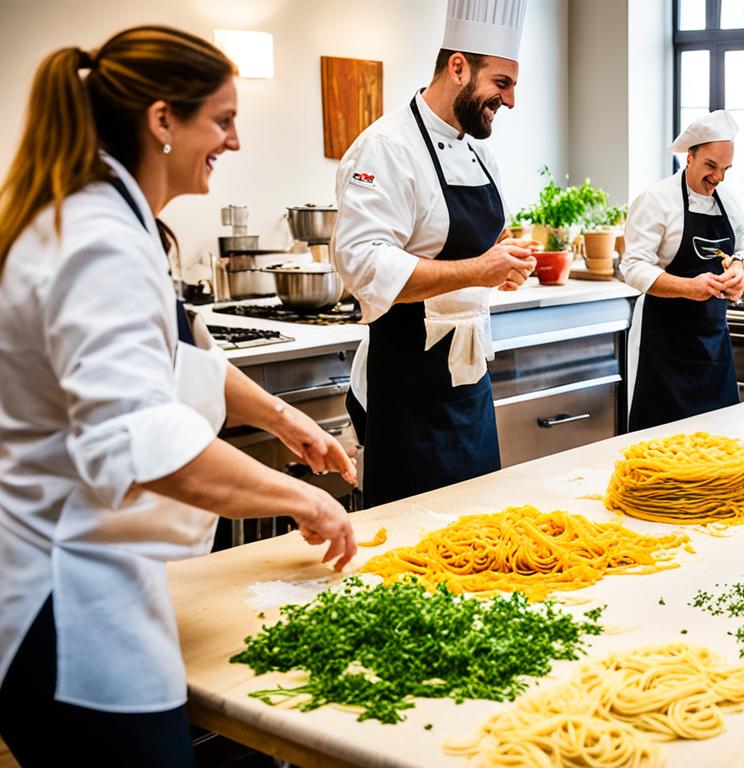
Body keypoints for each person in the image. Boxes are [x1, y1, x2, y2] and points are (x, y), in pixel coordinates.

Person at [0, 26, 356, 765]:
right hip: (61, 596)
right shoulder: (94, 237)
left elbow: (180, 358)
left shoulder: (110, 218)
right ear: (162, 120)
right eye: (222, 120)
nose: (232, 140)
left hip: (89, 573)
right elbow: (141, 441)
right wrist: (303, 500)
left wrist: (286, 419)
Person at [333, 0, 537, 506]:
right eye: (502, 84)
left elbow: (480, 243)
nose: (510, 101)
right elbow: (364, 264)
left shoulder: (477, 148)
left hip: (470, 383)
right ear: (458, 67)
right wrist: (479, 269)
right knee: (412, 547)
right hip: (409, 389)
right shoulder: (385, 147)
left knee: (480, 525)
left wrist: (503, 262)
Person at [621, 110, 744, 430]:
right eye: (711, 166)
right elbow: (633, 267)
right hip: (663, 348)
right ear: (689, 158)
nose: (718, 177)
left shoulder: (730, 203)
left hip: (713, 347)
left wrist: (739, 272)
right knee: (659, 443)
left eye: (725, 169)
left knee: (720, 440)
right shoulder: (655, 201)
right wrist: (688, 287)